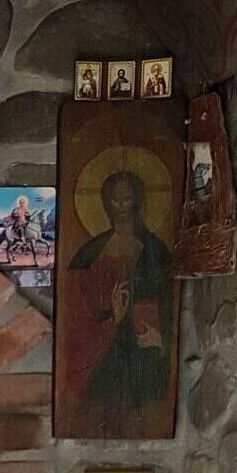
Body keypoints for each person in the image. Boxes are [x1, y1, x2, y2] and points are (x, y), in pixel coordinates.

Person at [64, 168, 173, 428]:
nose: (122, 206)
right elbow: (75, 308)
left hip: (145, 348)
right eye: (115, 199)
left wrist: (160, 338)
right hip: (105, 346)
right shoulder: (90, 253)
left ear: (138, 200)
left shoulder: (156, 250)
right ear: (106, 202)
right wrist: (113, 317)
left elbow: (169, 305)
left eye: (127, 198)